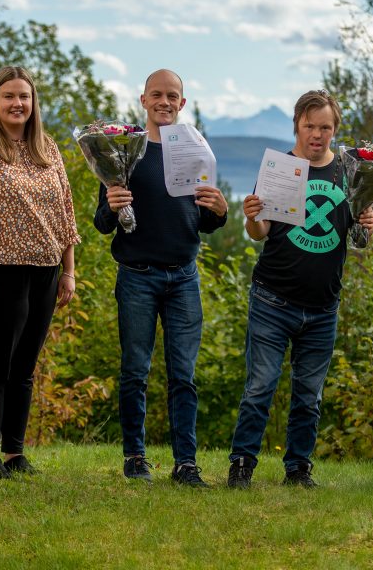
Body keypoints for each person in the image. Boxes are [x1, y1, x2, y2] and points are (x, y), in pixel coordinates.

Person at [226, 90, 373, 489]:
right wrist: (252, 217)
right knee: (260, 387)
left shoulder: (350, 173)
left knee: (309, 396)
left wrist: (367, 225)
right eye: (310, 126)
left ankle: (298, 468)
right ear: (297, 125)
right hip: (272, 299)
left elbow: (359, 240)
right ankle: (241, 464)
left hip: (323, 307)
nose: (317, 134)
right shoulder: (280, 168)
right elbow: (259, 233)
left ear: (335, 130)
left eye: (325, 127)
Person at [94, 69, 228, 486]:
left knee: (183, 376)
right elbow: (102, 223)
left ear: (182, 103)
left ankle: (186, 463)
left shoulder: (194, 148)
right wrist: (111, 205)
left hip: (184, 278)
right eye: (157, 95)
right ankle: (135, 458)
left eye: (172, 96)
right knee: (135, 371)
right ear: (143, 100)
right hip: (137, 277)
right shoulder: (123, 149)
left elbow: (204, 221)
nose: (164, 102)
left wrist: (221, 211)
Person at [0, 66, 80, 479]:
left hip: (46, 270)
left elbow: (65, 213)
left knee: (25, 366)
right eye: (9, 96)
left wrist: (68, 272)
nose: (17, 103)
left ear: (33, 102)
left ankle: (15, 452)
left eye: (24, 96)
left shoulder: (47, 148)